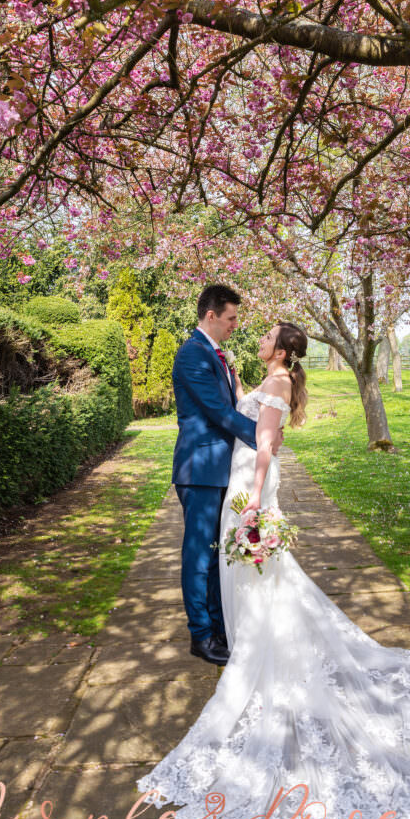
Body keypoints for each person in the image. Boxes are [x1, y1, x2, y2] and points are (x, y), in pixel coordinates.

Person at [138, 320, 410, 819]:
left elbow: (267, 445)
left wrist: (256, 501)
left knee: (261, 580)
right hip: (237, 479)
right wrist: (232, 374)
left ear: (282, 351)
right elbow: (236, 412)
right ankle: (253, 645)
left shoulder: (279, 385)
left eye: (266, 339)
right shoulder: (267, 376)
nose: (256, 340)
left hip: (250, 486)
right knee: (252, 580)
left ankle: (261, 654)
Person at [170, 284, 283, 666]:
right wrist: (262, 439)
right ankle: (200, 635)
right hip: (201, 470)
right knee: (199, 556)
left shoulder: (214, 353)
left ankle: (219, 627)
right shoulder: (192, 355)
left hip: (222, 470)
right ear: (211, 315)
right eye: (231, 318)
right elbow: (219, 412)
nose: (236, 324)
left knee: (217, 555)